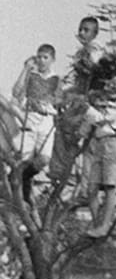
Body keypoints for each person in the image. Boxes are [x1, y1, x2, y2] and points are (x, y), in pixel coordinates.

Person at [49, 16, 104, 184]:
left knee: (66, 126)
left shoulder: (95, 50)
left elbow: (93, 75)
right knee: (60, 122)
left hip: (91, 99)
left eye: (86, 30)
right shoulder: (82, 52)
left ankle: (61, 170)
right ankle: (62, 168)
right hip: (81, 95)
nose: (81, 33)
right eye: (80, 29)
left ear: (95, 33)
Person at [81, 53, 116, 239]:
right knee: (91, 188)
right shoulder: (99, 101)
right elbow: (90, 123)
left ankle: (105, 225)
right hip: (99, 144)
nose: (110, 86)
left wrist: (87, 108)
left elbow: (101, 120)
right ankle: (97, 224)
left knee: (109, 187)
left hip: (112, 143)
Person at [11, 44, 61, 200]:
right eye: (39, 57)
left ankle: (16, 179)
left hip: (46, 121)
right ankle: (22, 198)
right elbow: (16, 93)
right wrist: (25, 69)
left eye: (45, 57)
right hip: (30, 120)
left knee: (44, 159)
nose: (41, 61)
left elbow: (59, 100)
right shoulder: (31, 75)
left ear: (52, 59)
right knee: (22, 159)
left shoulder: (56, 79)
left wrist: (47, 105)